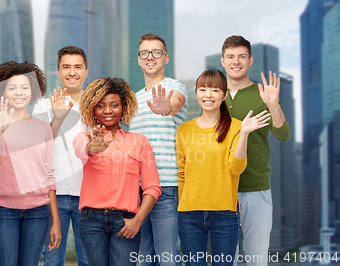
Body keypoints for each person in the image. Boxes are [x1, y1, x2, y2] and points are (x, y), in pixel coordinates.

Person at [176, 70, 271, 266]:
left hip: (224, 213)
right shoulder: (183, 130)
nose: (208, 95)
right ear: (196, 93)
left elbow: (236, 169)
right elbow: (182, 173)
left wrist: (244, 133)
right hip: (189, 214)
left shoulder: (236, 127)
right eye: (202, 89)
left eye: (215, 90)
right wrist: (182, 206)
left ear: (224, 95)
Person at [0, 61, 62, 266]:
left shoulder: (43, 128)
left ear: (32, 91)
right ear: (3, 91)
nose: (19, 92)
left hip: (38, 211)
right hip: (2, 209)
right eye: (12, 87)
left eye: (24, 87)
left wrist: (56, 221)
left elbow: (49, 174)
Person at [73, 77, 162, 266]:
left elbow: (152, 187)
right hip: (91, 220)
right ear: (92, 109)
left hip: (126, 221)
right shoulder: (85, 137)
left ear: (124, 107)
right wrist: (92, 147)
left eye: (114, 105)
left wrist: (138, 220)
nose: (107, 111)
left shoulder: (139, 141)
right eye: (101, 105)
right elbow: (82, 148)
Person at [219, 36, 290, 266]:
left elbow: (283, 135)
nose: (236, 61)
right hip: (221, 191)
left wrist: (272, 105)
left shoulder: (263, 94)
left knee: (256, 260)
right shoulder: (212, 96)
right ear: (223, 61)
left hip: (256, 191)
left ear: (250, 60)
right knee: (224, 260)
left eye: (241, 56)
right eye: (230, 57)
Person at [128, 33, 187, 266]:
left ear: (166, 58)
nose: (150, 57)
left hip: (166, 186)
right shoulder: (132, 99)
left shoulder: (173, 86)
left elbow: (176, 102)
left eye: (156, 52)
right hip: (137, 189)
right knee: (144, 260)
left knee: (168, 259)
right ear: (139, 59)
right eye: (144, 53)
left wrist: (165, 108)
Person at [32, 46, 89, 266]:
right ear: (58, 71)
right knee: (52, 260)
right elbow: (36, 147)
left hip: (89, 197)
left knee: (89, 260)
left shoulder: (96, 107)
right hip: (51, 197)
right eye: (66, 67)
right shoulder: (43, 105)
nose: (72, 72)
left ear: (86, 71)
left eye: (77, 67)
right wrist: (56, 118)